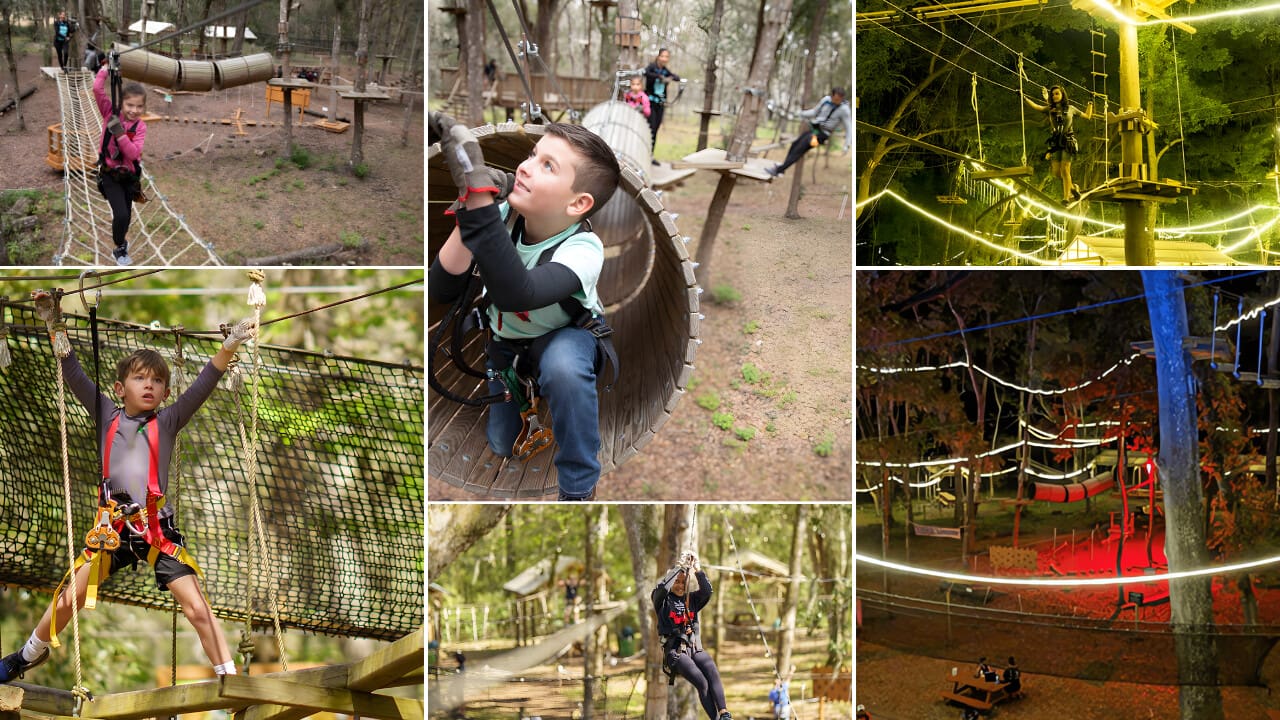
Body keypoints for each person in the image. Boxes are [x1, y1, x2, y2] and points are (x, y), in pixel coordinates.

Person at [0, 291, 256, 685]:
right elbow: (74, 375)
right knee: (71, 596)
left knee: (196, 607)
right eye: (140, 379)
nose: (149, 386)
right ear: (120, 389)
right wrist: (55, 326)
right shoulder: (106, 414)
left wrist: (231, 344)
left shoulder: (168, 420)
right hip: (111, 530)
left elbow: (206, 381)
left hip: (156, 529)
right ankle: (26, 656)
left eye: (157, 381)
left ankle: (230, 677)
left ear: (166, 393)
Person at [428, 113, 620, 501]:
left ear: (578, 202)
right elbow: (442, 287)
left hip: (565, 337)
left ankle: (579, 486)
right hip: (507, 345)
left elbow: (521, 293)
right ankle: (533, 392)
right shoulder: (501, 216)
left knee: (563, 367)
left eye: (547, 166)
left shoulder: (584, 249)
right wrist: (470, 210)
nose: (525, 167)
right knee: (501, 444)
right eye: (532, 155)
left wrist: (481, 203)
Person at [653, 552, 732, 720]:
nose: (680, 585)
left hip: (695, 648)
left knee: (712, 671)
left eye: (683, 582)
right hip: (676, 652)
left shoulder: (693, 599)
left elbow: (707, 590)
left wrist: (697, 569)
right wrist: (678, 568)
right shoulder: (662, 600)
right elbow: (662, 588)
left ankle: (724, 714)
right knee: (702, 682)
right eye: (677, 582)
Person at [93, 55, 148, 266]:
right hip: (110, 175)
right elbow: (98, 90)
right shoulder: (110, 113)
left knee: (127, 216)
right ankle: (119, 247)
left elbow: (133, 154)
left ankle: (121, 239)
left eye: (139, 107)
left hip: (129, 176)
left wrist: (120, 133)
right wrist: (106, 68)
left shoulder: (140, 127)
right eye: (129, 105)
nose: (133, 110)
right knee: (122, 214)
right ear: (122, 103)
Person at [1024, 84, 1094, 203]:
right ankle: (1072, 188)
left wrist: (1090, 103)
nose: (1055, 96)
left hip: (1068, 142)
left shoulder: (1071, 108)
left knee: (1065, 170)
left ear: (1062, 95)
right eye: (1053, 94)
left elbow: (1087, 116)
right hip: (1056, 143)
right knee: (1056, 172)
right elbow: (1036, 107)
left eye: (1057, 93)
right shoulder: (1050, 109)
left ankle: (1066, 198)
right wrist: (1024, 97)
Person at [766, 87, 852, 178]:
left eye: (839, 100)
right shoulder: (826, 100)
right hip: (814, 130)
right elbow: (814, 112)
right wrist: (800, 113)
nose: (836, 101)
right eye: (835, 99)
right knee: (795, 144)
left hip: (822, 136)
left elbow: (849, 127)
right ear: (832, 96)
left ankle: (778, 170)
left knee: (800, 148)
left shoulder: (844, 110)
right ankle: (782, 168)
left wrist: (847, 145)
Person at [643, 48, 681, 162]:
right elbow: (646, 73)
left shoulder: (665, 70)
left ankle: (650, 156)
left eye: (666, 57)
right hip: (650, 103)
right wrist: (659, 77)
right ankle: (645, 154)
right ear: (658, 56)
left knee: (656, 129)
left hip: (660, 104)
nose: (664, 59)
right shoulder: (652, 67)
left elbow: (676, 77)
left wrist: (670, 78)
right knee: (651, 128)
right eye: (662, 56)